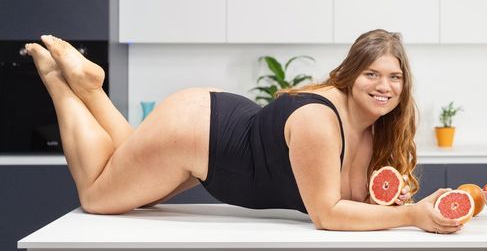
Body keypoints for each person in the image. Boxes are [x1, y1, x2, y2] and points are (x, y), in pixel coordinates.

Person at [25, 29, 462, 234]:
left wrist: (391, 199)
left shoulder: (370, 128)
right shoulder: (320, 121)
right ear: (350, 75)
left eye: (394, 77)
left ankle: (92, 93)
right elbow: (327, 214)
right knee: (99, 196)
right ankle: (64, 86)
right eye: (372, 74)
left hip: (209, 126)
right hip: (197, 133)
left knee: (133, 181)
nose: (384, 87)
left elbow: (346, 196)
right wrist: (409, 215)